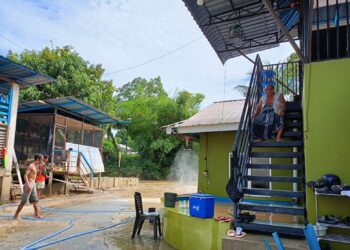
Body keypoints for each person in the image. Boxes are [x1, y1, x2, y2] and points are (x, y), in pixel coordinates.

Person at [13, 154, 43, 219]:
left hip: (33, 184)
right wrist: (28, 184)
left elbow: (38, 174)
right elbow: (25, 175)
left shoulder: (37, 166)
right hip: (29, 183)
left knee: (35, 200)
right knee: (24, 201)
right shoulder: (31, 166)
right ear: (38, 159)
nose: (42, 160)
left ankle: (36, 214)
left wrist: (40, 168)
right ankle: (16, 215)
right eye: (41, 159)